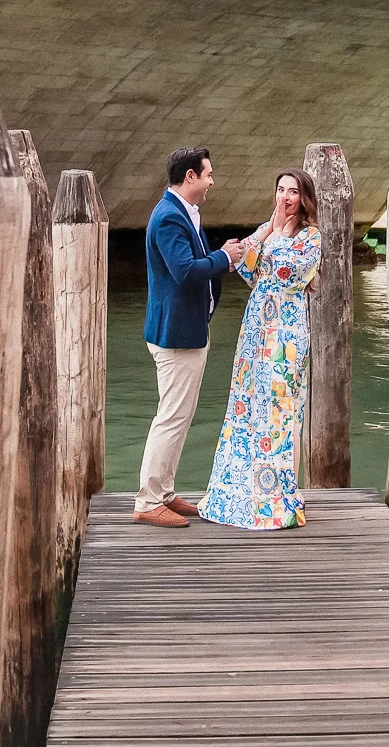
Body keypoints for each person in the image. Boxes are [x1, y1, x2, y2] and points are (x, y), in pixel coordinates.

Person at [198, 169, 322, 531]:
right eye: (281, 190)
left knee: (282, 410)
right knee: (247, 405)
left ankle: (282, 495)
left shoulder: (310, 237)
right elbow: (244, 265)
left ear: (303, 198)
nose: (285, 197)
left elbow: (287, 274)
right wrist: (268, 230)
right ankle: (243, 492)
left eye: (293, 192)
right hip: (256, 330)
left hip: (286, 333)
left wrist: (275, 235)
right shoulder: (269, 229)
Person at [134, 146, 245, 529]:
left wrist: (221, 257)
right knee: (171, 417)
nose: (212, 181)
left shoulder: (183, 211)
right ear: (191, 176)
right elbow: (184, 271)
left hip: (188, 330)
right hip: (175, 336)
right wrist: (225, 257)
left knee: (180, 417)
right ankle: (148, 500)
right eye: (208, 174)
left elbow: (192, 265)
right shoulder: (169, 216)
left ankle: (164, 492)